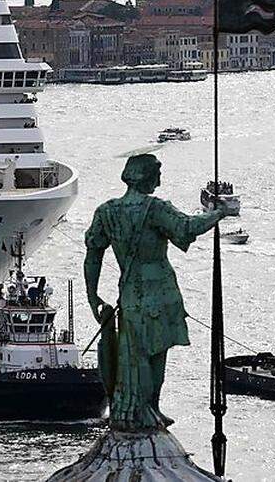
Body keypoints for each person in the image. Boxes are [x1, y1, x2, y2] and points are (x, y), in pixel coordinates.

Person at [84, 153, 235, 431]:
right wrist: (220, 213)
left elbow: (93, 255)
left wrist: (92, 296)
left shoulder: (107, 211)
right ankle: (150, 407)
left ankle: (138, 408)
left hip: (129, 292)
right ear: (147, 176)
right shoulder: (155, 209)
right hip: (160, 290)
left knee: (135, 352)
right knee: (156, 354)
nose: (160, 179)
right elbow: (187, 228)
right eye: (158, 174)